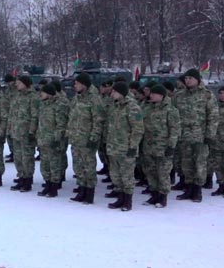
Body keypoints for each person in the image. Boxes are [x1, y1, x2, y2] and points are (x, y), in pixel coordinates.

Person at [176, 68, 218, 202]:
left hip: (200, 135)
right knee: (186, 163)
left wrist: (210, 135)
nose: (187, 81)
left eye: (190, 78)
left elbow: (213, 116)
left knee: (199, 163)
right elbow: (173, 116)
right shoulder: (179, 95)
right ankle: (189, 188)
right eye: (186, 79)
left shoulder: (207, 95)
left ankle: (198, 190)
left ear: (198, 80)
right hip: (184, 135)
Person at [105, 81, 144, 211]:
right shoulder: (115, 106)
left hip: (126, 148)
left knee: (127, 176)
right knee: (116, 175)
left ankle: (127, 201)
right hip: (113, 147)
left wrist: (133, 146)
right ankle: (120, 198)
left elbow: (137, 129)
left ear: (121, 93)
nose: (112, 94)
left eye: (114, 91)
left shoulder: (132, 107)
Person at [140, 84, 180, 208]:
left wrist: (171, 146)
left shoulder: (170, 110)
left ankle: (162, 197)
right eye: (150, 93)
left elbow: (175, 129)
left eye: (154, 93)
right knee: (150, 172)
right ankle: (154, 194)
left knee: (162, 173)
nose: (151, 95)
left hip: (163, 147)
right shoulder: (147, 108)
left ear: (161, 95)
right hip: (148, 146)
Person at [69, 73, 103, 204]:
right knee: (78, 166)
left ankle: (89, 193)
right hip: (76, 138)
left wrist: (94, 137)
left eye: (77, 83)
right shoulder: (77, 99)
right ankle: (81, 189)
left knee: (89, 167)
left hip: (87, 139)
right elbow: (72, 117)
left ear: (84, 84)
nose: (74, 86)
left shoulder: (94, 99)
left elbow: (98, 120)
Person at [36, 84, 68, 197]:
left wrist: (57, 139)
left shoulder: (58, 106)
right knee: (45, 165)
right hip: (43, 140)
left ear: (49, 94)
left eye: (43, 92)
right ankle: (47, 184)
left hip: (53, 141)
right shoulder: (43, 105)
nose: (41, 94)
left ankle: (54, 187)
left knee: (54, 165)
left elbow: (61, 125)